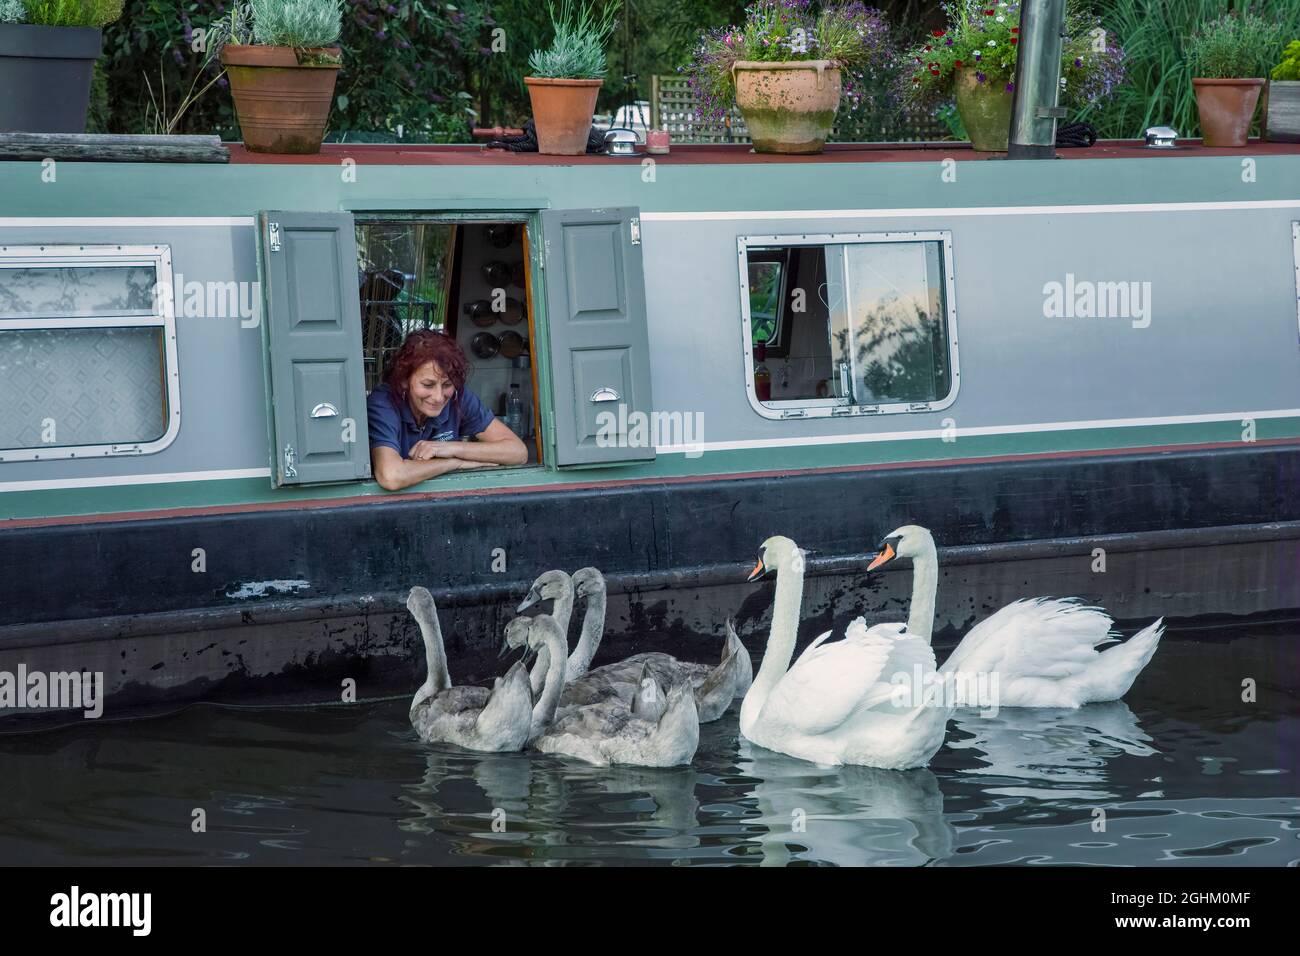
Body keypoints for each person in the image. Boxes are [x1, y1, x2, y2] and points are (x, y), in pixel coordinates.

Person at [368, 329, 527, 491]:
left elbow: (518, 452)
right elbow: (391, 476)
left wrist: (449, 448)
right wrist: (454, 462)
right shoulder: (384, 402)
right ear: (404, 381)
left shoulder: (459, 396)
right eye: (428, 385)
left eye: (447, 385)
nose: (438, 397)